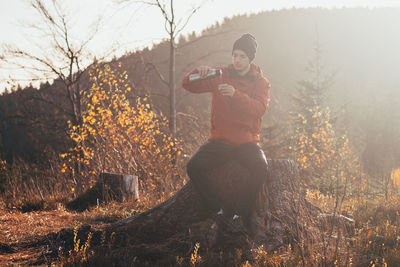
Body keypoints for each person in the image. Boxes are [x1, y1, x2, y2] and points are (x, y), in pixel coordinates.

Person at [181, 33, 271, 235]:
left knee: (261, 167)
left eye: (242, 57)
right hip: (219, 141)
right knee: (194, 166)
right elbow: (187, 84)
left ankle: (241, 214)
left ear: (250, 59)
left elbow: (260, 109)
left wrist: (235, 95)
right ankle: (219, 210)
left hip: (247, 142)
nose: (237, 61)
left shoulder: (261, 83)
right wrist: (199, 72)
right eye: (235, 55)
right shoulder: (219, 74)